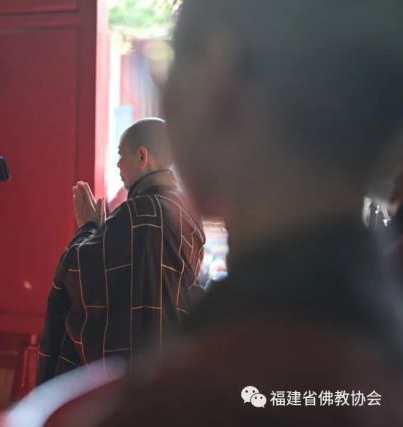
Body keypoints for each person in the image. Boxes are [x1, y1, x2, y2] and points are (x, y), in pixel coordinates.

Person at [92, 1, 403, 424]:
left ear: (219, 83)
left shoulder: (192, 396)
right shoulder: (378, 350)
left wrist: (88, 232)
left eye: (171, 65)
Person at [37, 118, 205, 384]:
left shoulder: (137, 212)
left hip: (134, 363)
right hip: (173, 355)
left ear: (142, 155)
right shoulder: (186, 211)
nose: (117, 165)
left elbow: (77, 269)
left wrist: (88, 227)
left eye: (119, 155)